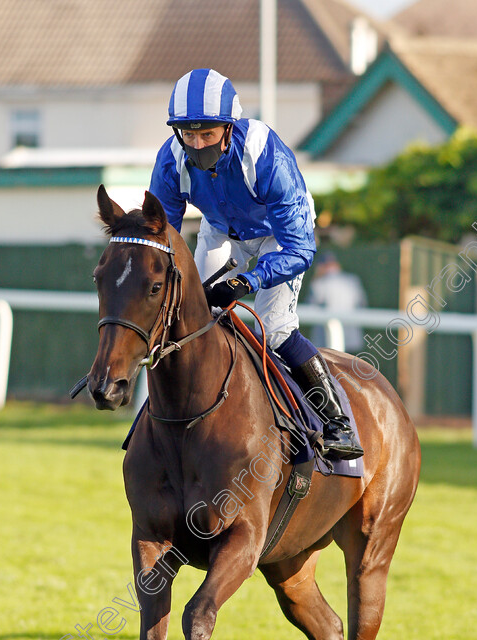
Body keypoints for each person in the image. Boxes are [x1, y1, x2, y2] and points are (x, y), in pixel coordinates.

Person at [149, 68, 363, 459]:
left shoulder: (266, 156)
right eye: (188, 134)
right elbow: (162, 236)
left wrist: (247, 281)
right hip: (220, 232)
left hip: (277, 236)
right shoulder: (170, 159)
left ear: (229, 128)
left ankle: (338, 424)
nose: (196, 145)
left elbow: (300, 250)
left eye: (207, 134)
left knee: (276, 329)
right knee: (186, 315)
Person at [307, 251, 368, 354]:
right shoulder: (353, 280)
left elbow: (311, 307)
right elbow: (362, 304)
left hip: (327, 340)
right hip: (352, 338)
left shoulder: (319, 283)